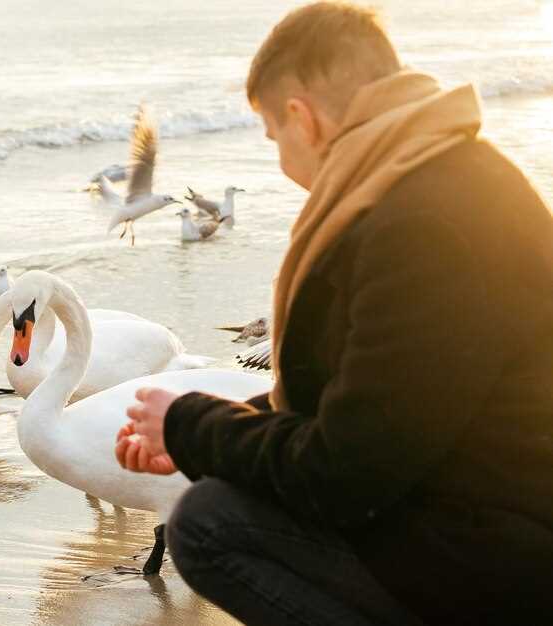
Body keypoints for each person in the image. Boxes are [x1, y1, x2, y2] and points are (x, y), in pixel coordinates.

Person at [115, 2, 553, 624]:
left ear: (303, 118)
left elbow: (346, 475)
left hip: (505, 559)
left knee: (211, 523)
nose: (282, 161)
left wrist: (189, 424)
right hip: (495, 513)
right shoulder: (453, 174)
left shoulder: (421, 224)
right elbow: (385, 400)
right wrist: (205, 435)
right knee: (230, 486)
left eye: (274, 138)